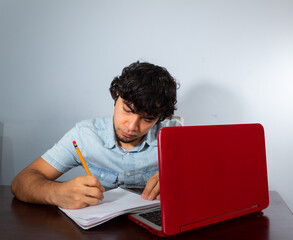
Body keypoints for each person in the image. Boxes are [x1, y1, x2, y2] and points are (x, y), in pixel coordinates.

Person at [11, 61, 181, 209]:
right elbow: (21, 182)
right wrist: (56, 193)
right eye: (127, 110)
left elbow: (206, 183)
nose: (131, 126)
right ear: (116, 95)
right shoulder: (85, 135)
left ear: (160, 118)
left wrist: (181, 179)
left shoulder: (176, 136)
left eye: (148, 119)